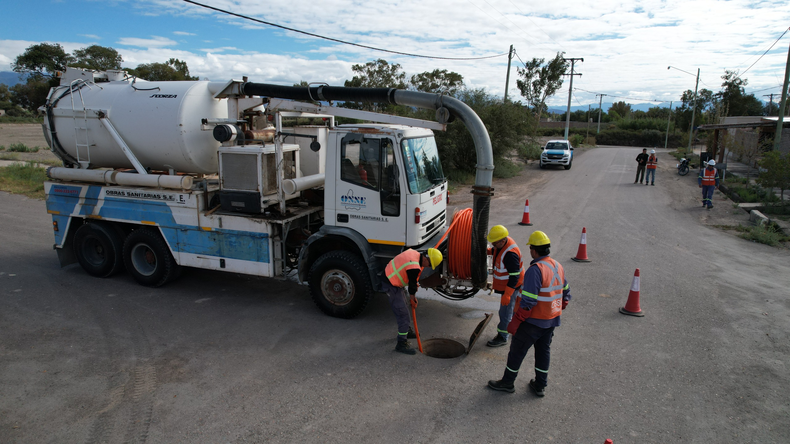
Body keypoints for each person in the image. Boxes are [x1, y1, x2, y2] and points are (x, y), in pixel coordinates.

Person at [488, 231, 572, 396]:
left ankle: (507, 382)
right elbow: (566, 291)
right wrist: (558, 307)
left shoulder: (535, 270)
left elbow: (528, 302)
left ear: (534, 250)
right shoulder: (557, 265)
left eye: (531, 248)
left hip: (532, 322)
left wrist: (516, 320)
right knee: (543, 352)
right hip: (550, 321)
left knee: (516, 352)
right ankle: (540, 385)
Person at [381, 248, 443, 355]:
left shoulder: (414, 253)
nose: (428, 267)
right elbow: (412, 285)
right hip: (391, 284)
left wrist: (413, 290)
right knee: (403, 314)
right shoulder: (414, 266)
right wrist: (413, 298)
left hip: (393, 279)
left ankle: (406, 331)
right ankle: (401, 343)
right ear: (426, 259)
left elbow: (411, 279)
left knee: (403, 307)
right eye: (429, 265)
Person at [485, 225, 525, 347]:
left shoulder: (510, 255)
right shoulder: (503, 243)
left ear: (502, 241)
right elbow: (497, 251)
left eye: (495, 243)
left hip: (511, 287)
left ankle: (502, 337)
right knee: (511, 310)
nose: (493, 245)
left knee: (505, 312)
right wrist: (489, 251)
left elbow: (514, 276)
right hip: (509, 286)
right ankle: (515, 329)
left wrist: (507, 294)